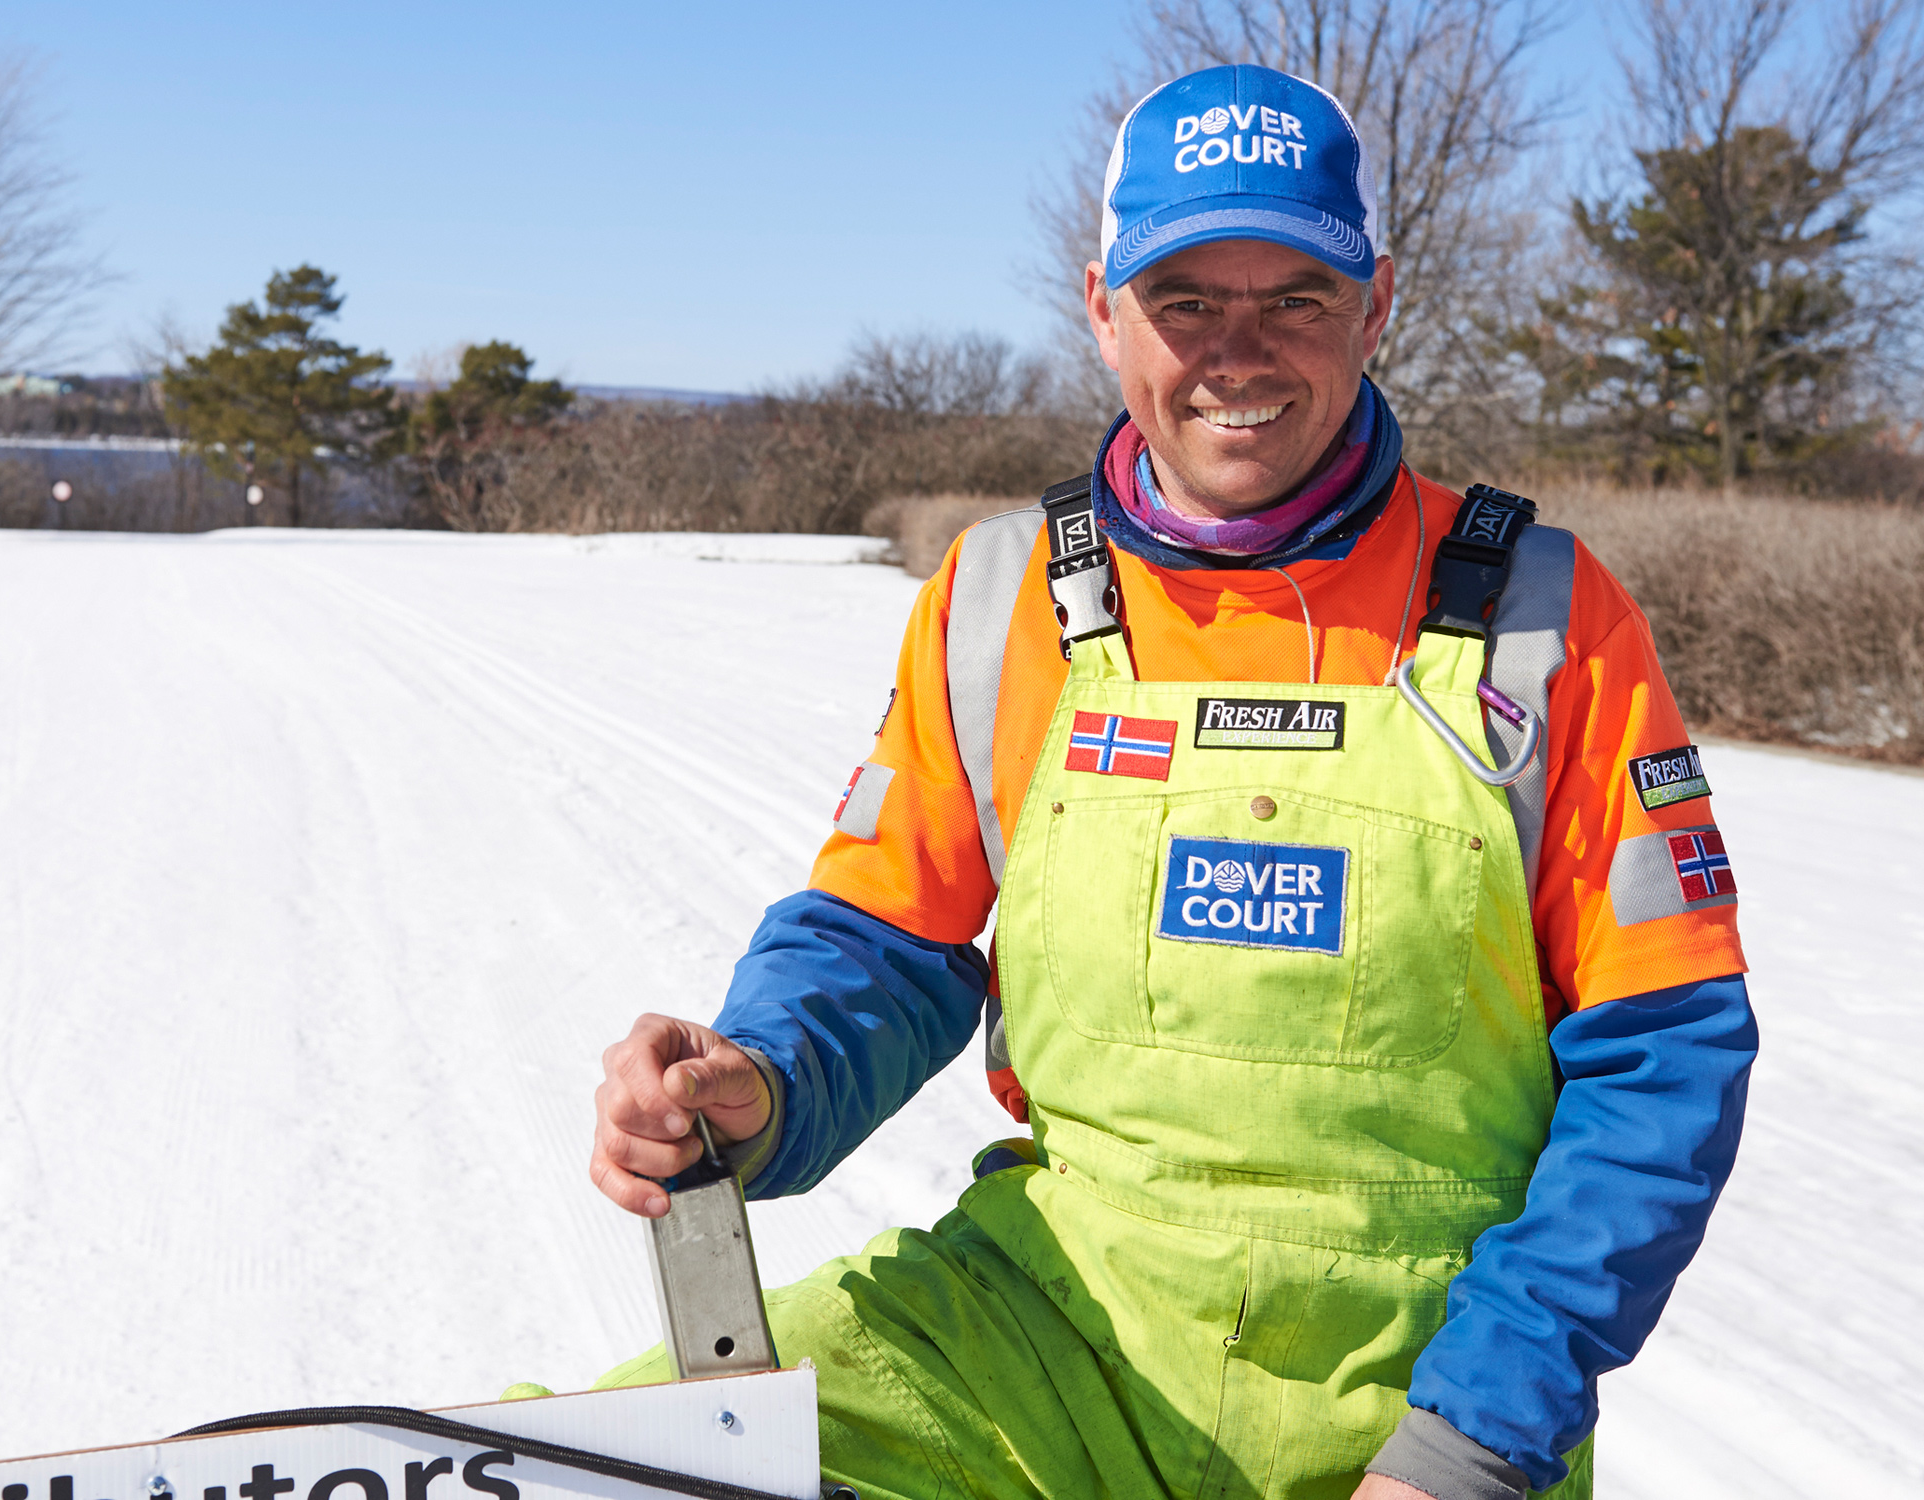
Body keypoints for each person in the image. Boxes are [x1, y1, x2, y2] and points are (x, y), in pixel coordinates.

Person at [588, 63, 1756, 1500]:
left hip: (1423, 1382)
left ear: (1375, 305)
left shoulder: (1547, 615)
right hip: (1050, 1332)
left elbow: (1667, 1057)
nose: (1238, 352)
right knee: (623, 1457)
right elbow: (889, 935)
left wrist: (1470, 1444)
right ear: (1101, 309)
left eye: (1297, 300)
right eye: (1186, 299)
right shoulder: (1000, 598)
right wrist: (762, 1076)